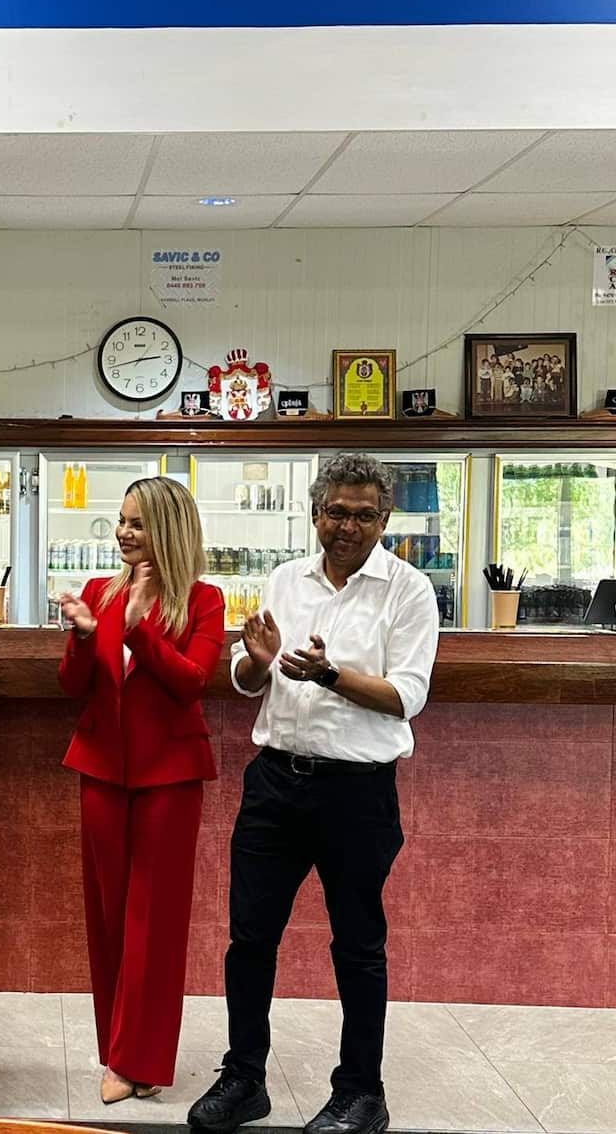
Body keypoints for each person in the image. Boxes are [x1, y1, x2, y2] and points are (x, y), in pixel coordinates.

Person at [189, 453, 438, 1134]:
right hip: (274, 783)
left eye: (363, 515)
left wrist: (330, 675)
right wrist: (258, 663)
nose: (348, 526)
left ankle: (362, 1093)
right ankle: (244, 1078)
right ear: (314, 513)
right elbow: (249, 678)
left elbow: (405, 698)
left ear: (385, 519)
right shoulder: (284, 579)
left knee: (357, 946)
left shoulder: (408, 590)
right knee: (249, 939)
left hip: (357, 793)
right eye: (336, 512)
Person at [58, 477, 225, 1105]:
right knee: (108, 914)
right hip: (101, 767)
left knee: (154, 921)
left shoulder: (203, 600)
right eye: (121, 521)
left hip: (170, 777)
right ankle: (117, 1052)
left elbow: (191, 682)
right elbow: (75, 686)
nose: (124, 533)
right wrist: (80, 635)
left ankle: (140, 1060)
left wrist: (135, 630)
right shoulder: (101, 591)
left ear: (170, 530)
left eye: (138, 523)